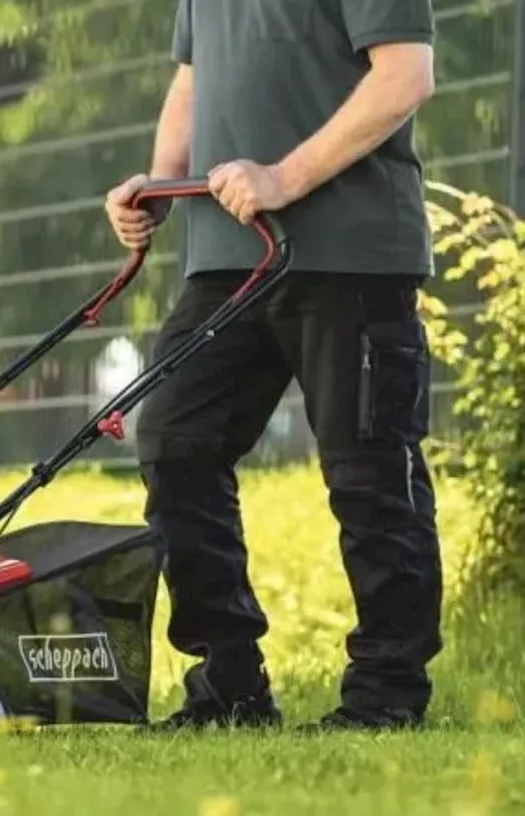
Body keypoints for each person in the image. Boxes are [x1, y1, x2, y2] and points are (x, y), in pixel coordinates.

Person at [104, 0, 442, 731]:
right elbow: (194, 81)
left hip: (349, 255)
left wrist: (284, 178)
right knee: (174, 441)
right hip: (228, 258)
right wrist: (159, 184)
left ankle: (387, 692)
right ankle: (229, 683)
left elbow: (406, 76)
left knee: (370, 471)